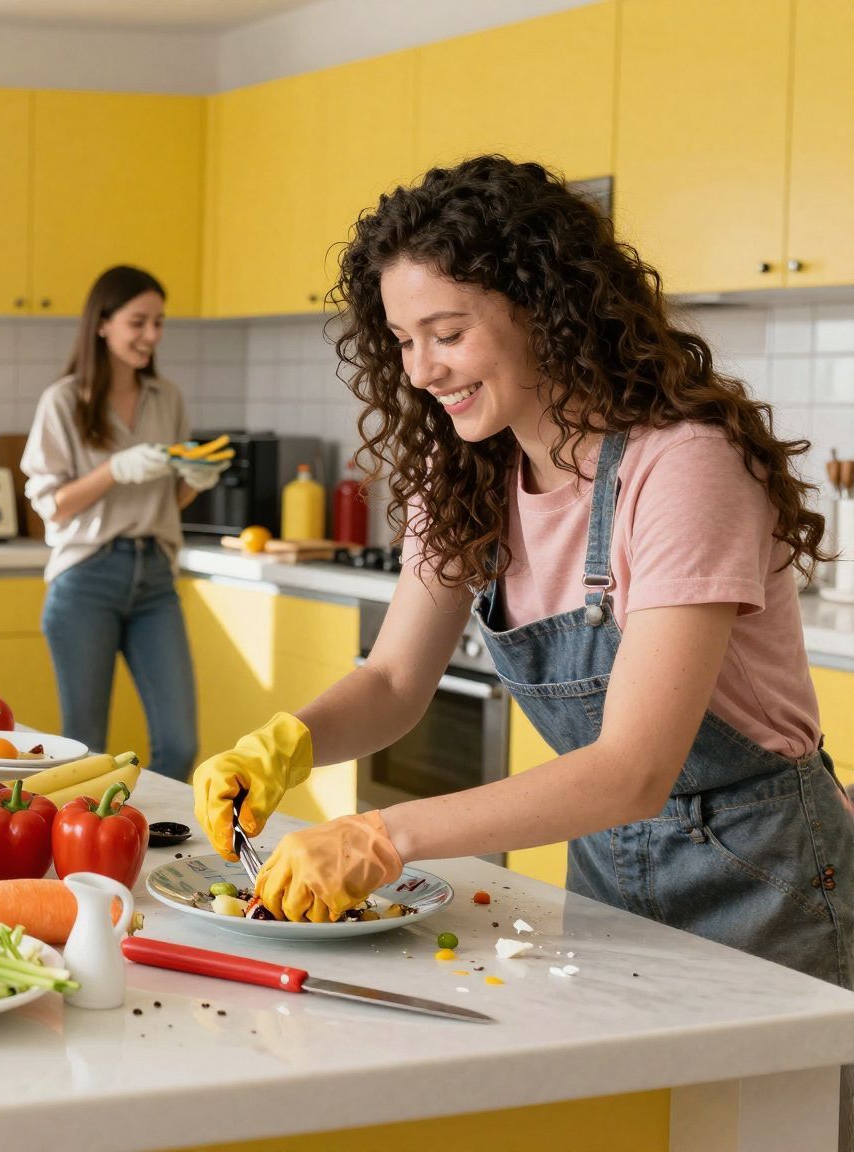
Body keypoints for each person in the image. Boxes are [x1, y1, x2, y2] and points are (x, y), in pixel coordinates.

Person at [191, 157, 854, 985]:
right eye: (403, 340)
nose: (421, 371)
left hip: (766, 878)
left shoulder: (684, 467)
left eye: (448, 332)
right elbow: (396, 681)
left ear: (545, 310)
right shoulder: (467, 477)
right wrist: (286, 744)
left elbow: (633, 770)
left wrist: (385, 836)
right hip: (608, 867)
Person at [22, 266, 219, 778]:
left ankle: (155, 846)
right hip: (86, 579)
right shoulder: (64, 402)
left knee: (180, 743)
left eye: (158, 323)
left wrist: (195, 480)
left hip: (154, 576)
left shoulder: (167, 398)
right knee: (84, 751)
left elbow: (166, 503)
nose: (151, 336)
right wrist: (114, 469)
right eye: (139, 322)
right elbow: (51, 504)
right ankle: (90, 850)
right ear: (103, 324)